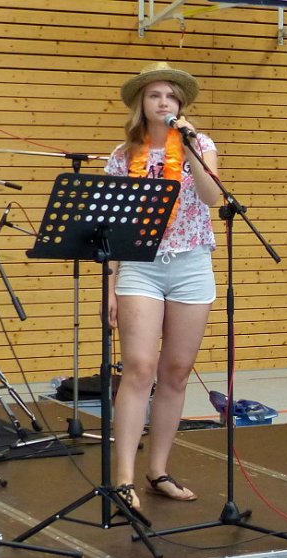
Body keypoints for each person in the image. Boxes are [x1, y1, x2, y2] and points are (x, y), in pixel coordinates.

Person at [106, 62, 222, 510]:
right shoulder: (123, 156)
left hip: (191, 262)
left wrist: (190, 148)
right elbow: (112, 226)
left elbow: (212, 197)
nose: (163, 102)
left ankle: (158, 470)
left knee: (176, 371)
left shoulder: (201, 144)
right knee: (139, 367)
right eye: (155, 95)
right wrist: (110, 284)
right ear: (142, 103)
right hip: (140, 265)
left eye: (171, 96)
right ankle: (123, 477)